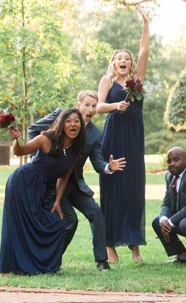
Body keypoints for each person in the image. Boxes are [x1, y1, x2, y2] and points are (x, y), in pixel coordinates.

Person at [28, 90, 126, 271]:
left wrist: (109, 167)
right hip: (53, 183)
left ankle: (102, 261)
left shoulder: (96, 134)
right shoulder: (60, 115)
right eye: (87, 105)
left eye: (94, 106)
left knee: (96, 212)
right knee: (70, 220)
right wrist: (39, 160)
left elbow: (98, 163)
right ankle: (51, 261)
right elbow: (33, 129)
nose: (90, 109)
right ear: (78, 104)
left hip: (75, 184)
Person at [0, 109, 85, 275]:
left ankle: (41, 266)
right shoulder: (46, 139)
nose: (73, 124)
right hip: (23, 182)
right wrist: (17, 139)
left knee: (56, 223)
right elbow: (19, 152)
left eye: (76, 121)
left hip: (43, 188)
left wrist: (58, 201)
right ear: (62, 124)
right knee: (17, 225)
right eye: (68, 121)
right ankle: (10, 268)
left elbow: (64, 177)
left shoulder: (76, 150)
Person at [97, 8, 149, 263]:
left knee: (133, 189)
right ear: (113, 63)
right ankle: (109, 245)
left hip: (134, 138)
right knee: (114, 189)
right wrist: (115, 106)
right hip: (115, 136)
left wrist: (146, 24)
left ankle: (134, 246)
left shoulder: (136, 81)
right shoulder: (106, 81)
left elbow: (144, 53)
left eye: (126, 58)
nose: (123, 60)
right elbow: (97, 107)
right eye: (119, 57)